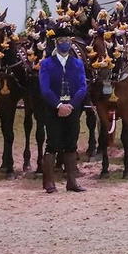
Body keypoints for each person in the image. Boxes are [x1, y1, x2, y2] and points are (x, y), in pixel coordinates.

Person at [37, 34, 87, 194]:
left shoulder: (78, 64)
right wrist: (58, 105)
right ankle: (49, 181)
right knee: (52, 143)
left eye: (67, 41)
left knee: (71, 143)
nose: (64, 43)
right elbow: (45, 89)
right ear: (56, 43)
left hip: (73, 109)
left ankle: (71, 181)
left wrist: (71, 105)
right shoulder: (46, 64)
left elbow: (82, 87)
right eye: (61, 41)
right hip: (53, 110)